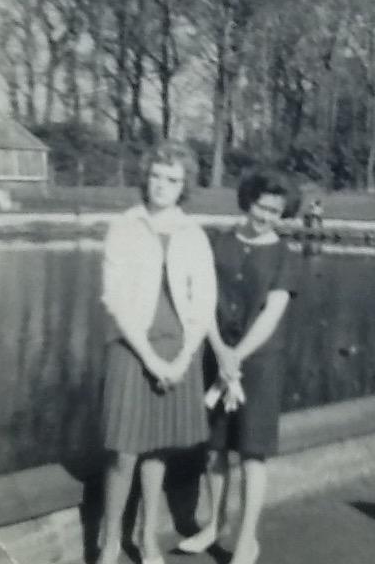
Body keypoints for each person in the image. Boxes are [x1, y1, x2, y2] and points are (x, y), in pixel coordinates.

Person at [98, 140, 234, 564]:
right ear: (146, 177)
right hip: (132, 349)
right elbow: (114, 300)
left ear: (183, 186)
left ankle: (147, 536)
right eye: (156, 176)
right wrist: (152, 360)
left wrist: (181, 360)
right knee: (123, 452)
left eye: (172, 179)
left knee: (157, 448)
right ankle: (110, 542)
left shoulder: (192, 234)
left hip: (178, 350)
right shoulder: (124, 226)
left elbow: (203, 302)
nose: (162, 185)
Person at [178, 167, 302, 564]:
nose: (266, 216)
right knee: (214, 450)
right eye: (262, 207)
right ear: (248, 200)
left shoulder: (283, 254)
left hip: (260, 365)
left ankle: (247, 540)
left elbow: (273, 311)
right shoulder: (220, 243)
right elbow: (203, 300)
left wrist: (238, 355)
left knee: (252, 453)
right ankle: (214, 526)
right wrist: (219, 348)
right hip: (216, 358)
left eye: (275, 211)